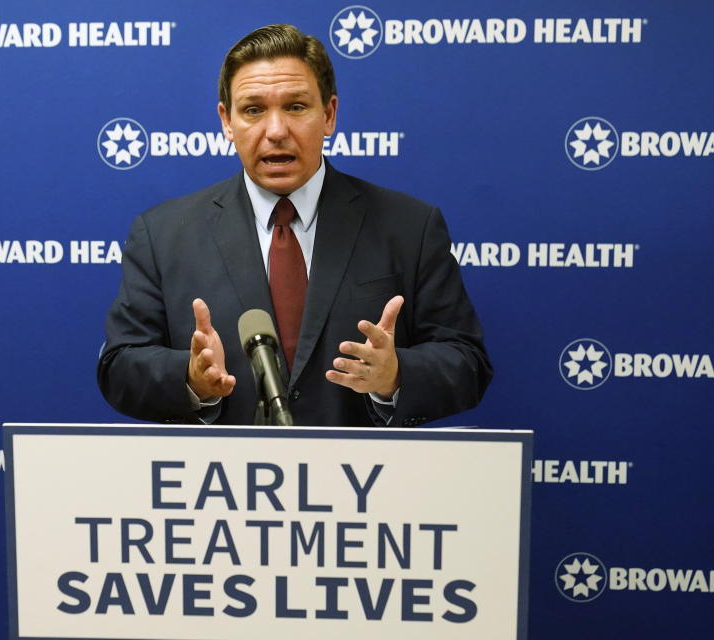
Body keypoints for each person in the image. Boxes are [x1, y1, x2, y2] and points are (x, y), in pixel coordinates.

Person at [97, 24, 492, 427]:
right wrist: (191, 379)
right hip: (223, 483)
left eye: (296, 107)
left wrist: (395, 375)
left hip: (364, 483)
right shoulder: (162, 234)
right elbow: (119, 365)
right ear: (226, 122)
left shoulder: (410, 227)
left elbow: (468, 363)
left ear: (329, 114)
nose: (275, 131)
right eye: (253, 110)